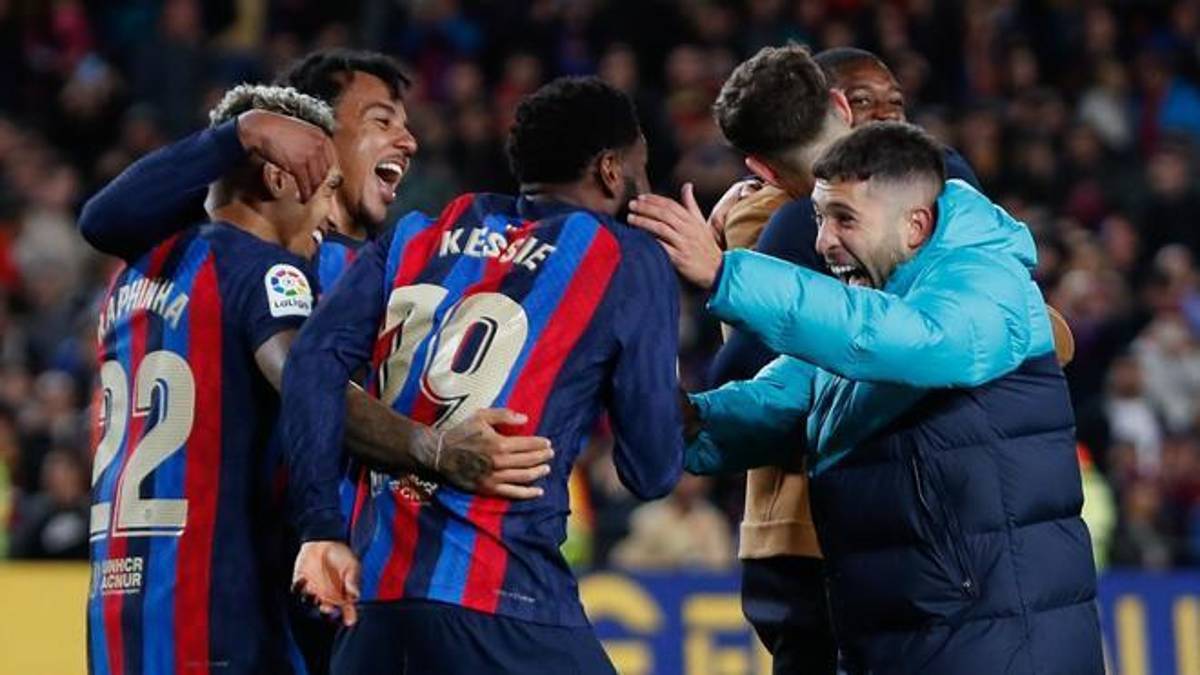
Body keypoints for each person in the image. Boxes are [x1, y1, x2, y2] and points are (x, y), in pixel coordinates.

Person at [635, 121, 1104, 674]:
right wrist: (684, 418)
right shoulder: (871, 312)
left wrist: (725, 273)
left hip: (1002, 649)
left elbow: (907, 339)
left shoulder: (986, 284)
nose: (822, 241)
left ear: (915, 225)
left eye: (845, 219)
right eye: (819, 217)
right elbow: (782, 398)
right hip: (904, 642)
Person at [282, 76, 683, 675]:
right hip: (505, 597)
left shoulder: (416, 233)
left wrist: (320, 526)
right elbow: (652, 470)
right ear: (610, 171)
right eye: (640, 170)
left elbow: (309, 365)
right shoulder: (626, 256)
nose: (643, 188)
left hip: (377, 601)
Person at [85, 85, 341, 675]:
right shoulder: (268, 271)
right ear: (278, 178)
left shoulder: (135, 275)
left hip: (119, 618)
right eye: (326, 189)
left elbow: (100, 218)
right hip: (220, 617)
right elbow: (308, 390)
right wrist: (429, 447)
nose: (329, 216)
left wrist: (233, 137)